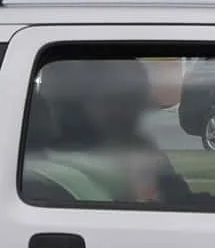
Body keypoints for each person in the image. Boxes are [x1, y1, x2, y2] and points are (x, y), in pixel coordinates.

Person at [22, 57, 192, 207]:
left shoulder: (136, 145)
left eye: (134, 97)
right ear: (81, 102)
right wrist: (144, 200)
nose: (127, 109)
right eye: (115, 99)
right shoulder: (56, 169)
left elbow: (180, 199)